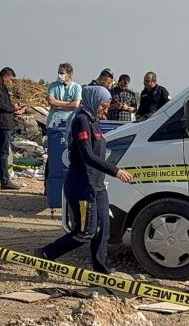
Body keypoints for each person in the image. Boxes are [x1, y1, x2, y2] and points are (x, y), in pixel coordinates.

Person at [35, 85, 133, 274]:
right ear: (93, 101)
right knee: (85, 232)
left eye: (107, 105)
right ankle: (46, 254)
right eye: (103, 105)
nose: (105, 109)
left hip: (97, 185)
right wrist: (115, 171)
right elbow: (87, 155)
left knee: (103, 229)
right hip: (82, 186)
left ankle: (101, 272)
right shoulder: (81, 121)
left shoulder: (93, 121)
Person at [46, 62, 82, 130]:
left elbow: (75, 104)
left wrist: (57, 106)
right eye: (58, 73)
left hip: (68, 121)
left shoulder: (76, 87)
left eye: (62, 73)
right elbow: (51, 101)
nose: (59, 75)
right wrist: (69, 104)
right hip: (53, 121)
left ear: (70, 74)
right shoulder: (53, 85)